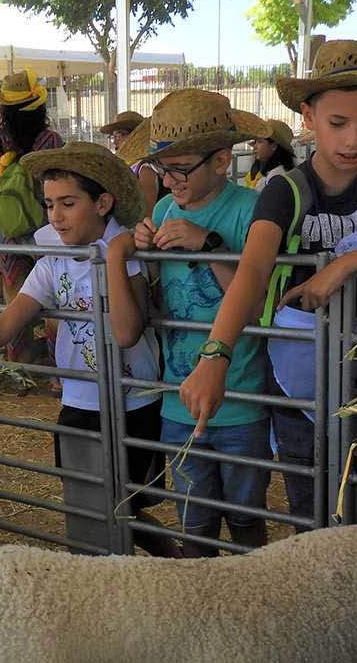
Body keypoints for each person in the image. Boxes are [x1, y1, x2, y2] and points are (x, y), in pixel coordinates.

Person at [178, 38, 357, 532]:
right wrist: (215, 355)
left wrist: (344, 265)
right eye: (338, 123)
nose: (354, 139)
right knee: (308, 491)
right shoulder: (284, 190)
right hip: (298, 368)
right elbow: (252, 270)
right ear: (309, 117)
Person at [0, 141, 177, 558]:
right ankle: (132, 574)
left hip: (132, 402)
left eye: (68, 203)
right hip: (80, 398)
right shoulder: (53, 260)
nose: (56, 216)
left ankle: (166, 565)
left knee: (123, 507)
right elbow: (9, 321)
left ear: (102, 203)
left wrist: (113, 258)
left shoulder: (124, 252)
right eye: (49, 204)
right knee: (87, 504)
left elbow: (128, 332)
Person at [108, 89, 271, 556]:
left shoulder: (250, 209)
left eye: (180, 168)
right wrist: (141, 245)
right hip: (176, 398)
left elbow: (257, 303)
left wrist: (211, 246)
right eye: (163, 169)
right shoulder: (162, 209)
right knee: (193, 521)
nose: (170, 180)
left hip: (239, 396)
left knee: (247, 518)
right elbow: (156, 289)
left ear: (221, 161)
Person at [0, 68, 64, 364]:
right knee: (55, 297)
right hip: (49, 231)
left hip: (10, 234)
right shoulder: (50, 141)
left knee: (15, 301)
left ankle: (19, 369)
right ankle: (59, 373)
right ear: (38, 105)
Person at [243, 119, 297, 189]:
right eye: (255, 141)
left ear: (274, 146)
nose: (255, 146)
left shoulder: (277, 176)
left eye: (259, 142)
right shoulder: (262, 169)